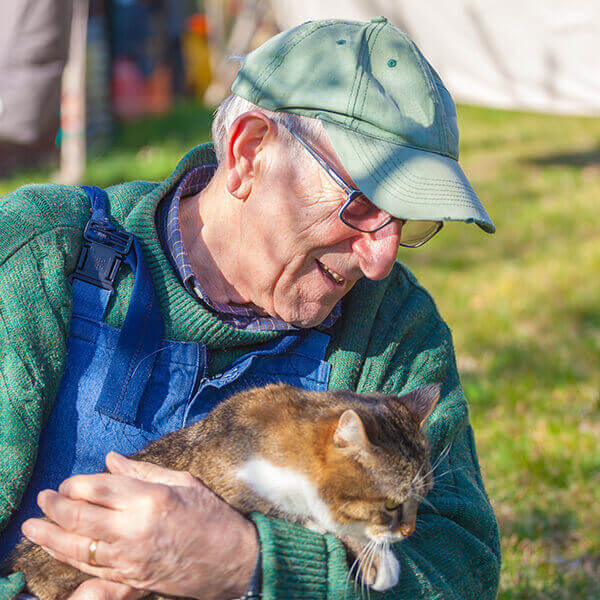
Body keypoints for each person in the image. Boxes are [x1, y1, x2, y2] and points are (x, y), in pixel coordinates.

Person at [0, 17, 501, 600]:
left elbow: (458, 569)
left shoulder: (394, 327)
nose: (381, 260)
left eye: (406, 220)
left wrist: (248, 561)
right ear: (249, 152)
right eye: (362, 205)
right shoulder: (41, 256)